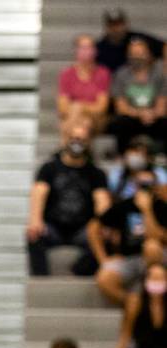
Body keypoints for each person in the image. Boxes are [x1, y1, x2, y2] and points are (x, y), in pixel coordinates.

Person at [27, 120, 111, 276]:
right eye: (74, 138)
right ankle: (42, 280)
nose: (77, 143)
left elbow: (102, 201)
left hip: (82, 229)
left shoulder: (96, 173)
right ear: (65, 139)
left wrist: (104, 224)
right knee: (34, 234)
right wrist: (35, 219)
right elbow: (39, 192)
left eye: (82, 139)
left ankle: (78, 272)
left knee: (104, 236)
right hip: (54, 227)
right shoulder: (49, 168)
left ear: (89, 142)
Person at [91, 170, 167, 305]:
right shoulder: (124, 206)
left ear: (155, 185)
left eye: (148, 184)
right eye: (141, 184)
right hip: (130, 258)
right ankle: (135, 306)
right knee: (104, 278)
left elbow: (158, 237)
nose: (145, 188)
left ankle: (154, 299)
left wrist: (146, 210)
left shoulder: (161, 207)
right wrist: (103, 258)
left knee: (151, 247)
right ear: (134, 185)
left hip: (158, 258)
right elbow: (93, 227)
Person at [108, 38, 167, 154]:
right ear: (128, 55)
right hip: (131, 118)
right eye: (134, 54)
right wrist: (141, 113)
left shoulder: (159, 74)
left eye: (140, 53)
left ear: (149, 54)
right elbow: (121, 107)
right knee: (121, 122)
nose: (137, 57)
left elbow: (162, 106)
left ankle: (162, 157)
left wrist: (152, 114)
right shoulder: (121, 74)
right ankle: (123, 156)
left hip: (154, 117)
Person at [58, 35, 111, 131]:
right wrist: (80, 108)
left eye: (89, 47)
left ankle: (64, 145)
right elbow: (62, 108)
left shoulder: (102, 73)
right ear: (76, 51)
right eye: (82, 48)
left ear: (95, 51)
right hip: (78, 118)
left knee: (81, 120)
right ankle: (74, 143)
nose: (86, 51)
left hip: (96, 120)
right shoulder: (67, 74)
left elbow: (101, 108)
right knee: (83, 124)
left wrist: (80, 106)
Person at [95, 9, 165, 74]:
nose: (116, 29)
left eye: (119, 24)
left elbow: (164, 47)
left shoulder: (138, 38)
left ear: (126, 24)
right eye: (112, 25)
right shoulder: (100, 47)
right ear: (107, 27)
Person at [107, 136, 167, 202]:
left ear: (149, 157)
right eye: (133, 151)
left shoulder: (158, 173)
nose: (136, 155)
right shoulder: (116, 173)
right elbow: (109, 198)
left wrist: (154, 182)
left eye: (142, 152)